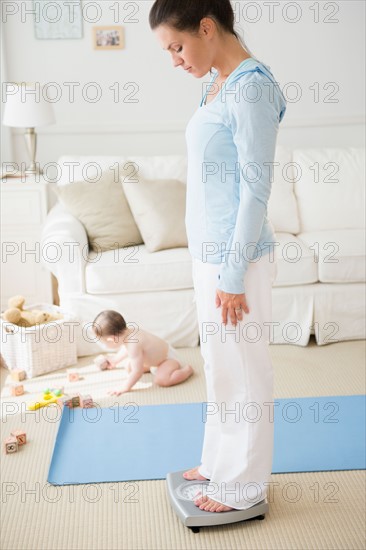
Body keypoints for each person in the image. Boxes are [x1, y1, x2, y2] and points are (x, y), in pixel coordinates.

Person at [149, 0, 287, 513]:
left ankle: (243, 484)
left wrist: (231, 275)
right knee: (220, 366)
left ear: (207, 27)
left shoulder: (251, 87)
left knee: (245, 371)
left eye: (177, 47)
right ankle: (217, 462)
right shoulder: (214, 82)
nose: (175, 61)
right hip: (210, 256)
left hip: (238, 261)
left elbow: (255, 191)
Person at [92, 310, 194, 395]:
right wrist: (115, 360)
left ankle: (186, 371)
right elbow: (126, 349)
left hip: (168, 360)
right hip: (156, 360)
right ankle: (153, 368)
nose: (105, 345)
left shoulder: (134, 344)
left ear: (113, 339)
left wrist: (124, 387)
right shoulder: (129, 333)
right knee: (129, 367)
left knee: (162, 380)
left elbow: (138, 372)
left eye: (104, 342)